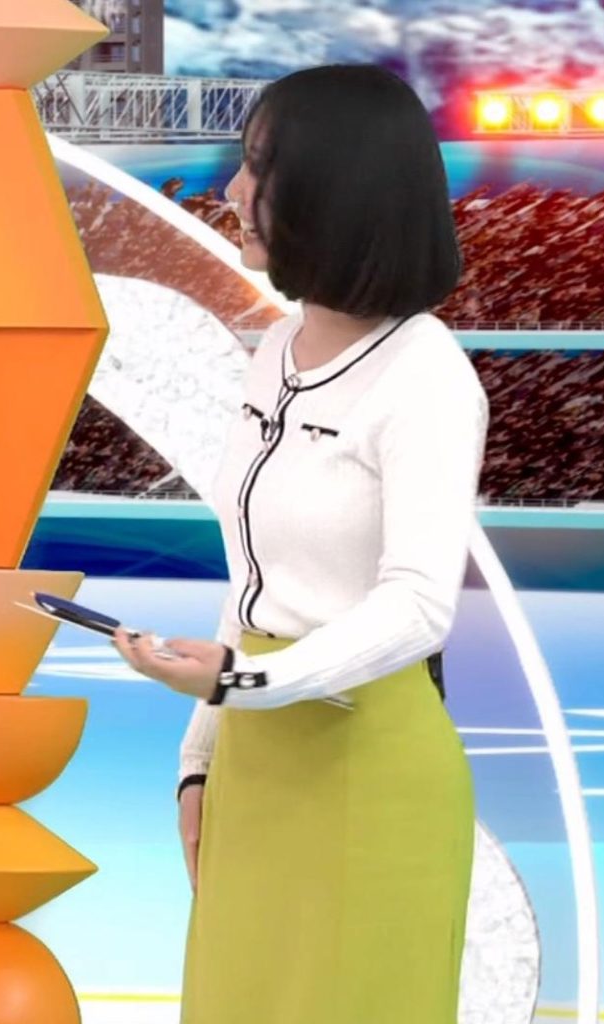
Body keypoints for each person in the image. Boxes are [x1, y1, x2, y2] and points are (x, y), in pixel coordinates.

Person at [113, 62, 489, 1024]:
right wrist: (201, 759)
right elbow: (252, 586)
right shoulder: (275, 351)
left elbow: (418, 605)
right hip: (255, 766)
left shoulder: (427, 376)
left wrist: (244, 683)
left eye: (258, 167)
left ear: (333, 188)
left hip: (368, 772)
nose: (232, 191)